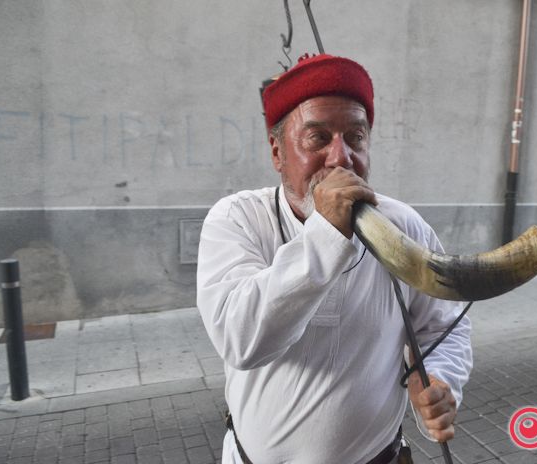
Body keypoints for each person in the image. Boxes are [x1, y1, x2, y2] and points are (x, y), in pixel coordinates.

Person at [196, 53, 473, 464]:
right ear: (277, 153)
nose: (341, 157)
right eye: (318, 138)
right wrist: (326, 234)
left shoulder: (402, 226)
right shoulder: (238, 219)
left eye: (356, 138)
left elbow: (442, 324)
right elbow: (241, 341)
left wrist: (437, 377)